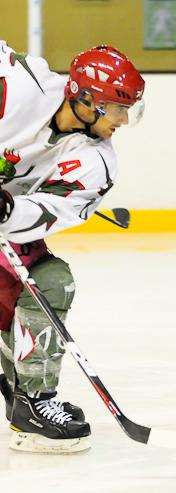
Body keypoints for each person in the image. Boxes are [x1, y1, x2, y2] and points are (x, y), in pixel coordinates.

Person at [0, 41, 145, 454]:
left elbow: (49, 211)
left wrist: (9, 209)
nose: (124, 120)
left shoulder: (97, 162)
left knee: (50, 282)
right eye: (118, 108)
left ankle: (31, 399)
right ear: (85, 99)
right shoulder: (22, 84)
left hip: (5, 230)